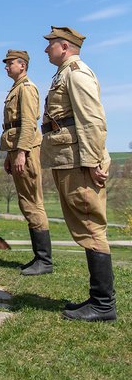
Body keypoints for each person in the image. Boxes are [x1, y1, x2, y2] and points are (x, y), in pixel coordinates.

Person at [40, 26, 115, 321]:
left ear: (65, 46)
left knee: (90, 225)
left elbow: (92, 119)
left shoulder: (76, 73)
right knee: (84, 225)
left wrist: (94, 161)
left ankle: (103, 304)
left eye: (50, 44)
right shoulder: (64, 74)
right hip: (68, 159)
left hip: (79, 161)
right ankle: (98, 300)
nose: (46, 49)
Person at [0, 49, 52, 275]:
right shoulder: (16, 88)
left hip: (26, 150)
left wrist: (22, 152)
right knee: (26, 201)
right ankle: (39, 258)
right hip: (17, 149)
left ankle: (44, 261)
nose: (6, 67)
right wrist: (10, 154)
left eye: (10, 63)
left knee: (32, 202)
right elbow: (14, 125)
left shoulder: (27, 88)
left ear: (22, 65)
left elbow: (29, 123)